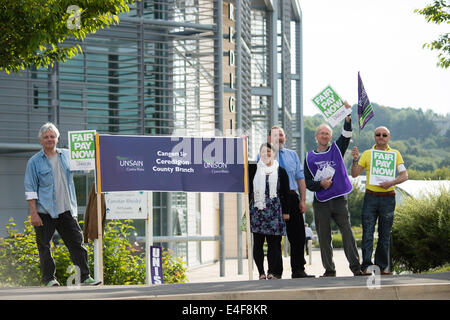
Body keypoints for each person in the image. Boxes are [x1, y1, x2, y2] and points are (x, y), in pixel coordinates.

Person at [24, 122, 101, 286]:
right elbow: (30, 189)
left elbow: (82, 169)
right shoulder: (34, 162)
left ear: (57, 139)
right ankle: (49, 279)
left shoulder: (67, 155)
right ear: (41, 140)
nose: (49, 139)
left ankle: (84, 277)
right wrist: (33, 213)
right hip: (44, 211)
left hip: (66, 209)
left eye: (52, 136)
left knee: (76, 243)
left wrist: (89, 158)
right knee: (44, 246)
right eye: (46, 137)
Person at [304, 103, 363, 277]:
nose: (325, 136)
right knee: (323, 237)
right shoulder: (309, 157)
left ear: (330, 136)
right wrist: (320, 184)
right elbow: (308, 182)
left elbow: (346, 134)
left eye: (328, 133)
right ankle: (329, 270)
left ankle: (356, 268)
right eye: (322, 133)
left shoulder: (337, 148)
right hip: (321, 201)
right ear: (316, 136)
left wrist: (347, 117)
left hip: (339, 198)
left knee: (347, 232)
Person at [351, 126, 408, 275]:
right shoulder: (368, 154)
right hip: (370, 197)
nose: (381, 137)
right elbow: (355, 174)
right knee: (367, 232)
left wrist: (391, 183)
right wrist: (355, 160)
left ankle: (382, 266)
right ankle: (367, 266)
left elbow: (404, 175)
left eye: (384, 135)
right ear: (374, 137)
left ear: (389, 137)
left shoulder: (395, 154)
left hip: (388, 198)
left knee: (385, 234)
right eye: (378, 134)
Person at [268, 126, 314, 278]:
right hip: (272, 199)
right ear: (269, 138)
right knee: (274, 237)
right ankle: (275, 272)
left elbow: (300, 178)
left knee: (298, 236)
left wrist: (302, 200)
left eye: (281, 135)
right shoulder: (263, 155)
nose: (278, 138)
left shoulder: (292, 155)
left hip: (292, 198)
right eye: (275, 135)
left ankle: (298, 270)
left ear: (285, 138)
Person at [248, 143, 290, 280]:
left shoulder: (280, 171)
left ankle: (272, 271)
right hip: (258, 211)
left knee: (274, 244)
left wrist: (286, 212)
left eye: (268, 151)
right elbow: (247, 189)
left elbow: (286, 192)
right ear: (260, 154)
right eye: (263, 152)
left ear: (273, 153)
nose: (266, 154)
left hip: (274, 211)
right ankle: (261, 272)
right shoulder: (253, 169)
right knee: (258, 244)